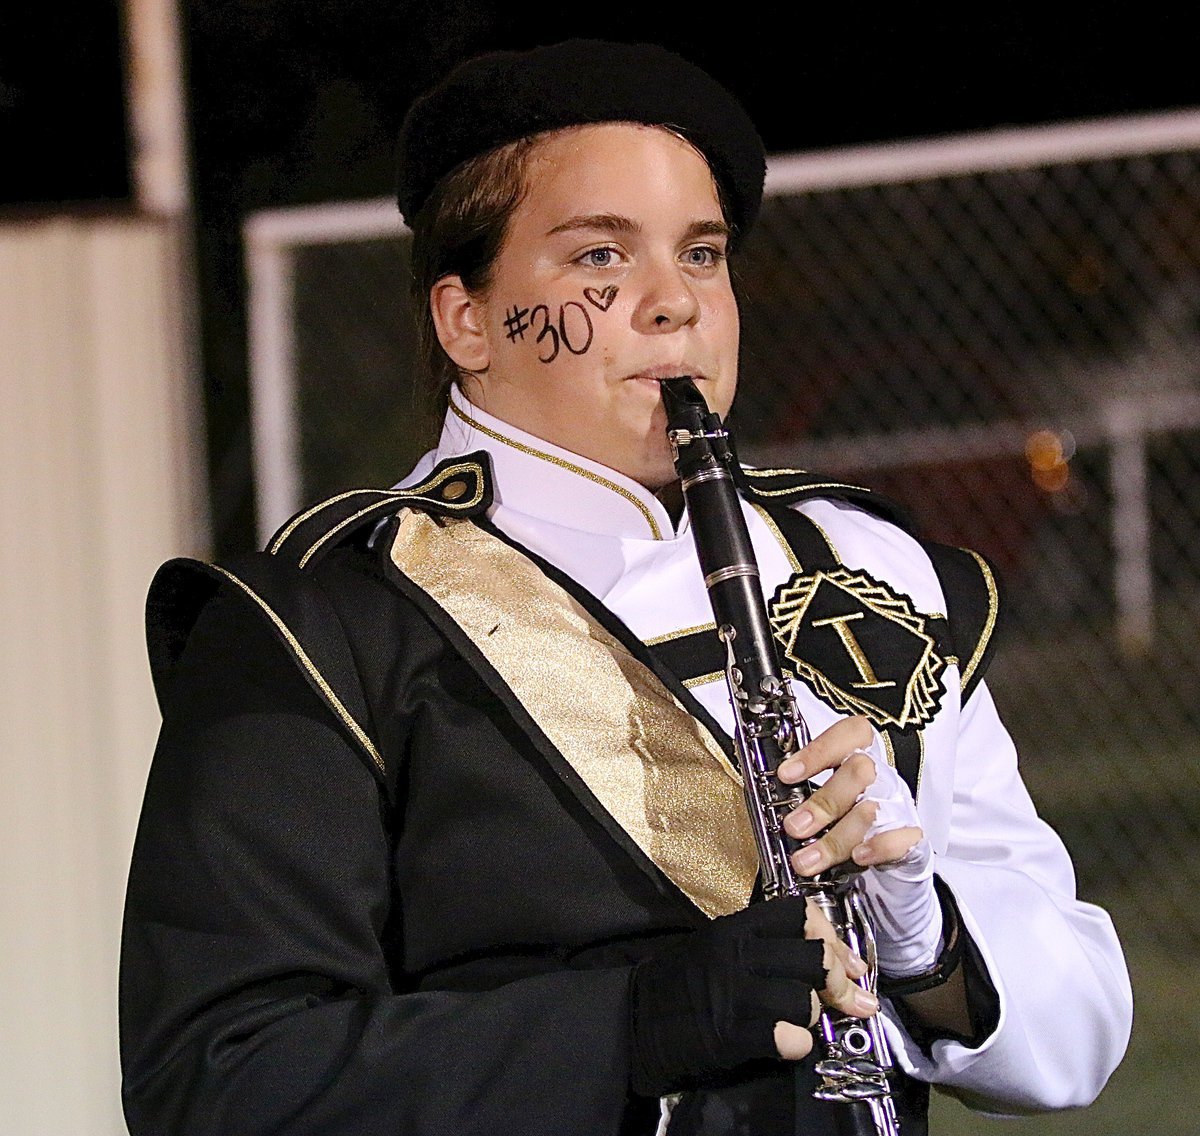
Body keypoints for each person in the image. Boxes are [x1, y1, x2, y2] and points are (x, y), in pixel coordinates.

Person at [119, 38, 1132, 1136]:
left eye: (702, 254)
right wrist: (630, 1026)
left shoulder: (865, 567)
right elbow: (219, 1080)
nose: (673, 303)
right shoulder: (316, 626)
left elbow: (1080, 1028)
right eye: (600, 257)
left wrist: (923, 938)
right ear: (465, 319)